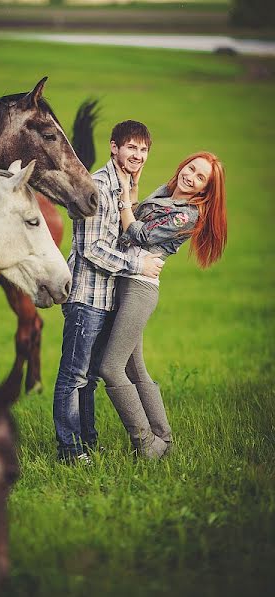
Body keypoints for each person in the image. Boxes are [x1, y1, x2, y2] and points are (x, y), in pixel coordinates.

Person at [99, 151, 227, 458]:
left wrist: (126, 203)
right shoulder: (164, 192)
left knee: (110, 368)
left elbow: (140, 234)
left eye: (200, 178)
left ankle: (146, 443)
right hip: (127, 280)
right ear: (183, 163)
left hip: (139, 290)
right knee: (135, 369)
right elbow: (136, 218)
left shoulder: (189, 214)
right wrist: (133, 187)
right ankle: (165, 443)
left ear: (204, 190)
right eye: (191, 168)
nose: (191, 176)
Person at [53, 120, 163, 463]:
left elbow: (124, 238)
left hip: (107, 298)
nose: (139, 155)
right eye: (132, 147)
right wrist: (138, 266)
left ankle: (88, 443)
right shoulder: (98, 186)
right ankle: (70, 451)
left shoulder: (124, 189)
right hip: (86, 298)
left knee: (90, 379)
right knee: (73, 376)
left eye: (144, 149)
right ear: (114, 147)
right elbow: (92, 249)